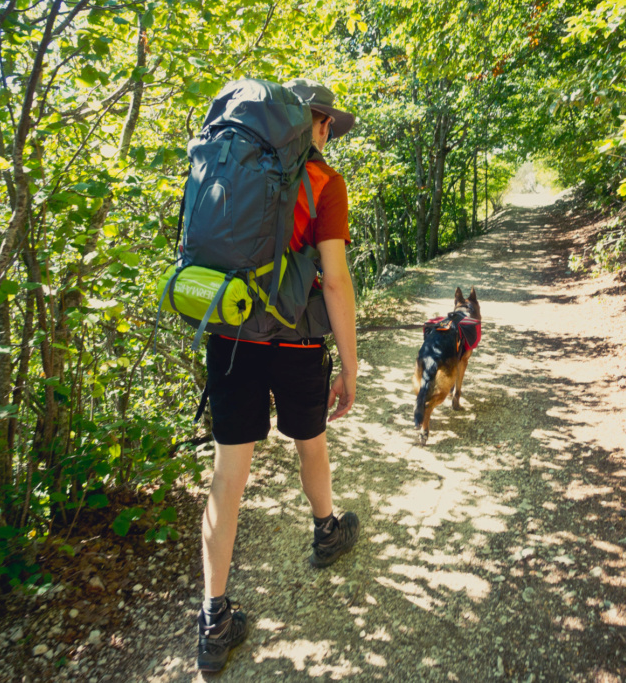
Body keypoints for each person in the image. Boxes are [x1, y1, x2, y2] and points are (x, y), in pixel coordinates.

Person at [196, 78, 361, 673]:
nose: (329, 136)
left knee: (228, 475)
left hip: (230, 332)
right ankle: (326, 531)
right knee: (309, 443)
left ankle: (213, 620)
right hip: (296, 337)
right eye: (327, 126)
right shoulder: (325, 184)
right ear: (313, 124)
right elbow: (336, 281)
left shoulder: (224, 166)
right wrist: (351, 360)